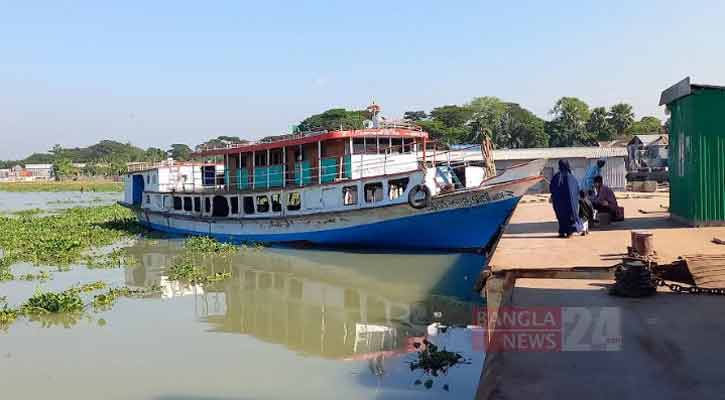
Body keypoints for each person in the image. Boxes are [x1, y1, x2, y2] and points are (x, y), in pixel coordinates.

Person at [549, 160, 581, 238]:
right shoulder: (571, 177)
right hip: (569, 203)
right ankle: (569, 232)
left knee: (561, 217)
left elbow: (551, 188)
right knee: (569, 217)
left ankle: (562, 232)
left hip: (559, 203)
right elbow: (576, 189)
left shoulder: (556, 177)